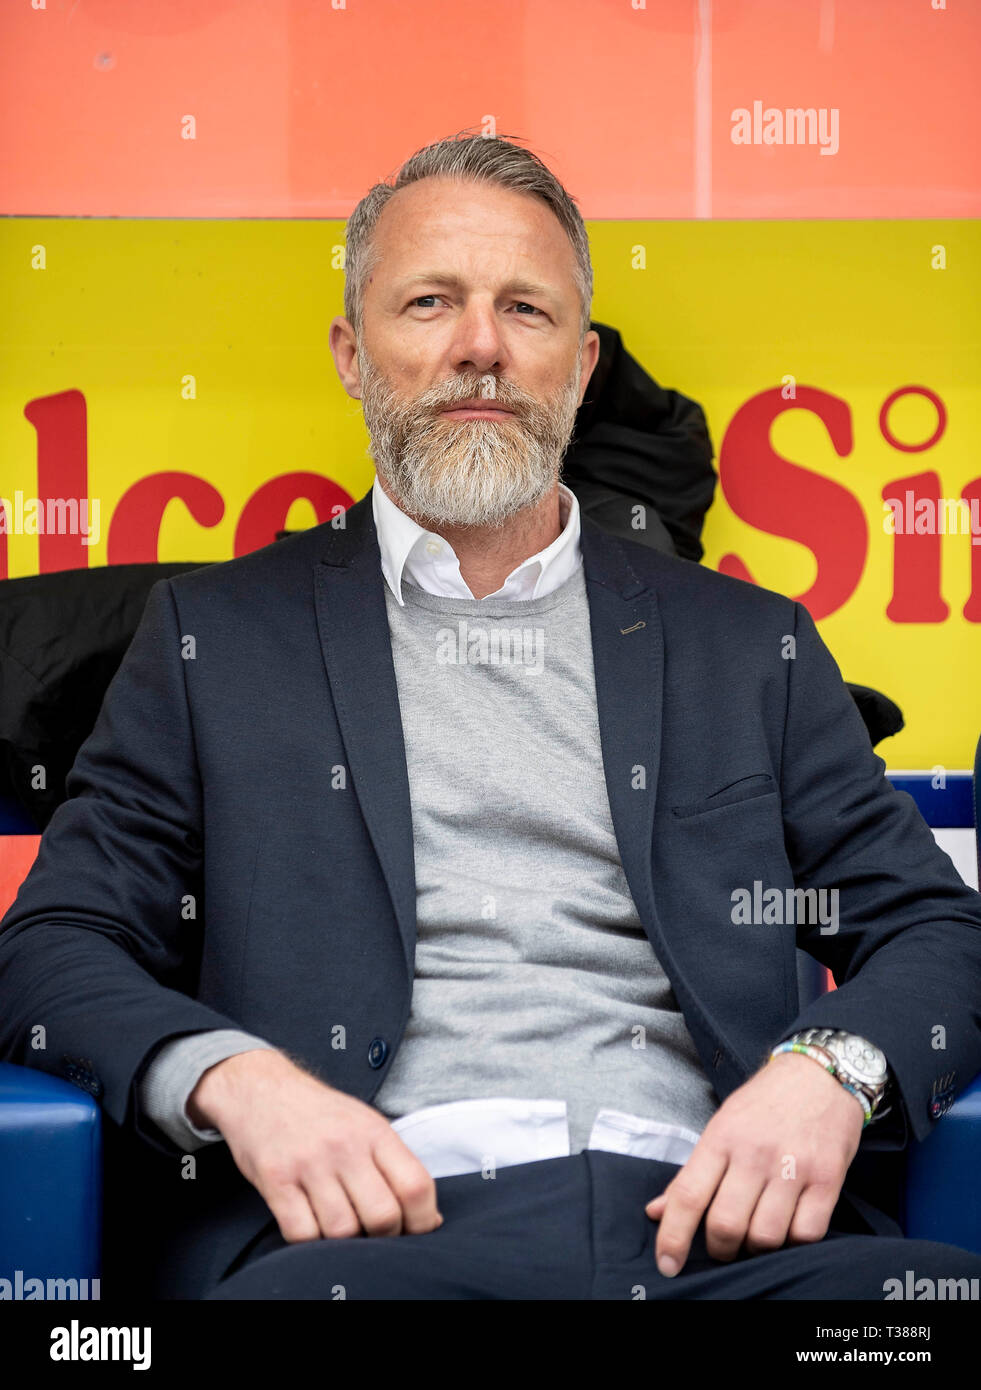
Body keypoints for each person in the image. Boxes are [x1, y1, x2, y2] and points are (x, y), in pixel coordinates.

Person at [1, 131, 980, 1302]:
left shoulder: (746, 645)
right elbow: (52, 950)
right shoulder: (216, 641)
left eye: (527, 308)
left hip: (722, 1240)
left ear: (581, 365)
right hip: (364, 1256)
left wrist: (832, 1069)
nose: (481, 346)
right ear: (352, 354)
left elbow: (939, 929)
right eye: (430, 302)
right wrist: (237, 1081)